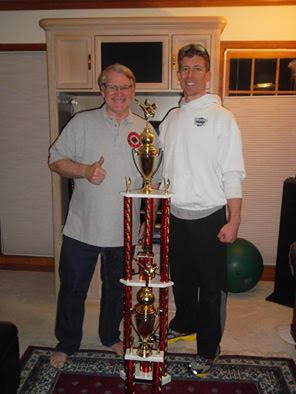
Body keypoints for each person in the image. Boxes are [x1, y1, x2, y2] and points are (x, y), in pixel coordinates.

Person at [48, 63, 161, 368]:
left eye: (125, 87)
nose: (119, 93)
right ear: (102, 90)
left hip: (123, 229)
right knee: (72, 288)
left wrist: (147, 223)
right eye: (112, 87)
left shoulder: (146, 130)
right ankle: (67, 343)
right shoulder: (81, 122)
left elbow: (154, 182)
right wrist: (84, 171)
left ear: (134, 91)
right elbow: (55, 159)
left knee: (116, 289)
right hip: (81, 227)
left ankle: (110, 336)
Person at [159, 44, 246, 377]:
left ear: (208, 74)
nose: (189, 75)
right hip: (175, 215)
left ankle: (209, 348)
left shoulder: (223, 118)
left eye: (196, 68)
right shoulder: (170, 119)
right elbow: (160, 172)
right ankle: (185, 322)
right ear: (178, 73)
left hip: (209, 216)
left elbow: (233, 171)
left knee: (211, 288)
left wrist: (234, 219)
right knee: (180, 280)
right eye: (184, 68)